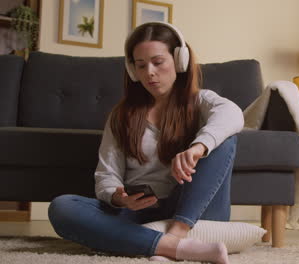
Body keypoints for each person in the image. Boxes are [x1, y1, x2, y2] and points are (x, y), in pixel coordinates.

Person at [48, 22, 244, 264]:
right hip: (138, 212)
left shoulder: (201, 101)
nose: (149, 72)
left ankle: (176, 234)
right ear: (132, 70)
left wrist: (198, 146)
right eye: (141, 65)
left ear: (179, 60)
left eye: (158, 62)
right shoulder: (122, 116)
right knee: (62, 207)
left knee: (223, 140)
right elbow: (106, 176)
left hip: (195, 209)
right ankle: (174, 247)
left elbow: (234, 114)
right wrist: (119, 197)